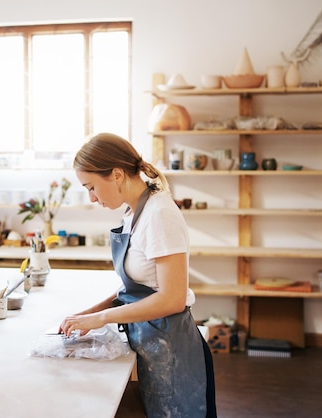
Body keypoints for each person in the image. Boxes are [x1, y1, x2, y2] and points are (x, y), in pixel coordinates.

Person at [60, 133, 216, 418]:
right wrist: (88, 314)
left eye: (92, 187)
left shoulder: (159, 214)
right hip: (151, 340)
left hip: (172, 348)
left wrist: (102, 318)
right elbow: (137, 288)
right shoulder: (134, 212)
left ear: (117, 174)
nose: (92, 198)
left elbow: (172, 299)